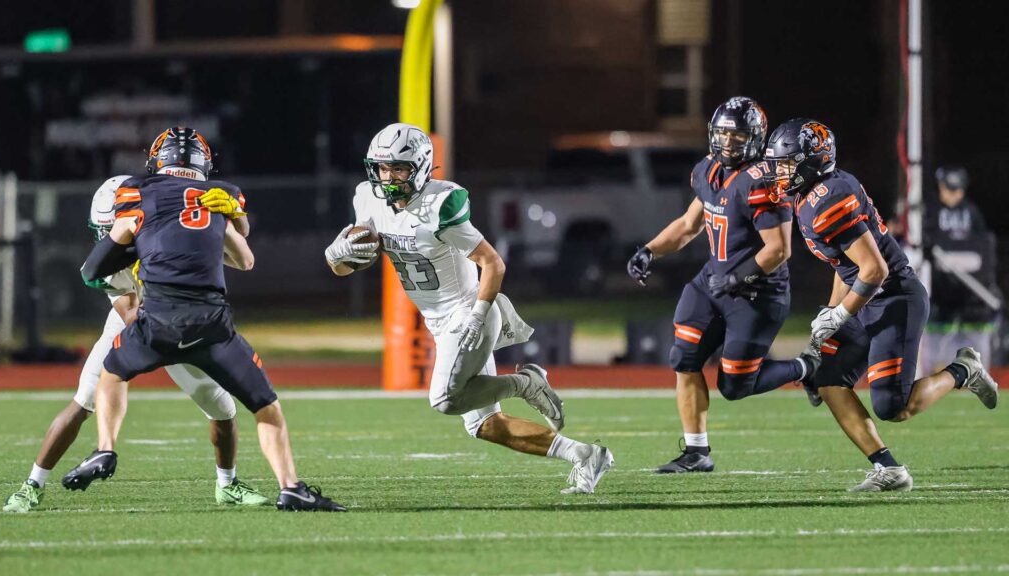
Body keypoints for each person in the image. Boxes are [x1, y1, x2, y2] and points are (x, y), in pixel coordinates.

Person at [67, 127, 346, 511]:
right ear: (204, 165)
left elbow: (92, 269)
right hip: (212, 327)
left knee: (112, 375)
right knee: (266, 407)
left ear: (155, 162)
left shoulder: (137, 194)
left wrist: (134, 253)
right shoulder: (219, 197)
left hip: (158, 319)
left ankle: (105, 449)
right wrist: (228, 221)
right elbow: (246, 260)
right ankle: (290, 486)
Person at [325, 123, 613, 494]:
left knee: (444, 400)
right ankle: (586, 455)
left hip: (467, 312)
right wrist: (335, 255)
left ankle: (525, 383)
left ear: (421, 167)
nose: (388, 177)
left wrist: (478, 316)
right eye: (382, 168)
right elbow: (346, 266)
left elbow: (493, 264)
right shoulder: (367, 199)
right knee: (484, 425)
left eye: (398, 168)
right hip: (438, 320)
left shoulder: (440, 204)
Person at [2, 175, 268, 513]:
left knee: (223, 410)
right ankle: (32, 486)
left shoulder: (164, 231)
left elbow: (236, 257)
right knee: (83, 400)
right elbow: (131, 316)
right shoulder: (110, 261)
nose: (107, 237)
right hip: (143, 323)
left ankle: (227, 485)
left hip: (180, 318)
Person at [765, 118, 999, 491]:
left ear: (813, 159)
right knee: (827, 378)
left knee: (894, 407)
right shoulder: (814, 194)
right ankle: (889, 469)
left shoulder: (828, 199)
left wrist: (841, 314)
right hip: (866, 298)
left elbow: (874, 270)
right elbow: (844, 265)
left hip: (894, 298)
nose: (779, 172)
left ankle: (963, 370)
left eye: (788, 163)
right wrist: (828, 315)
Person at [627, 96, 817, 474]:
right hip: (713, 282)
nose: (729, 144)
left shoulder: (763, 182)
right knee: (684, 357)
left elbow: (779, 250)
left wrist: (737, 276)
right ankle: (697, 452)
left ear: (756, 139)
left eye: (739, 136)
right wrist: (650, 251)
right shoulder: (708, 171)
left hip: (757, 293)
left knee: (735, 385)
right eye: (724, 135)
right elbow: (688, 225)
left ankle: (807, 367)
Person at [921, 165, 1001, 371]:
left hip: (970, 291)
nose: (954, 194)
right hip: (940, 290)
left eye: (958, 190)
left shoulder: (971, 212)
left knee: (972, 339)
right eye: (949, 189)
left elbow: (984, 245)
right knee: (938, 337)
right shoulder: (931, 211)